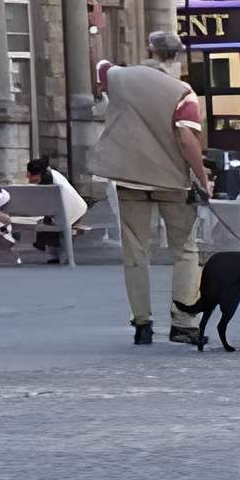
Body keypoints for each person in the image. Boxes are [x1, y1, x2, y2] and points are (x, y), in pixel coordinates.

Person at [94, 28, 214, 346]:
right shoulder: (183, 92)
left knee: (136, 251)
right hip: (171, 180)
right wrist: (202, 178)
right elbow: (187, 138)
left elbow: (101, 66)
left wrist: (97, 29)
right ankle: (183, 321)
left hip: (128, 176)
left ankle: (142, 322)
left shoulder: (118, 78)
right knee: (185, 249)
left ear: (148, 50)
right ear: (178, 56)